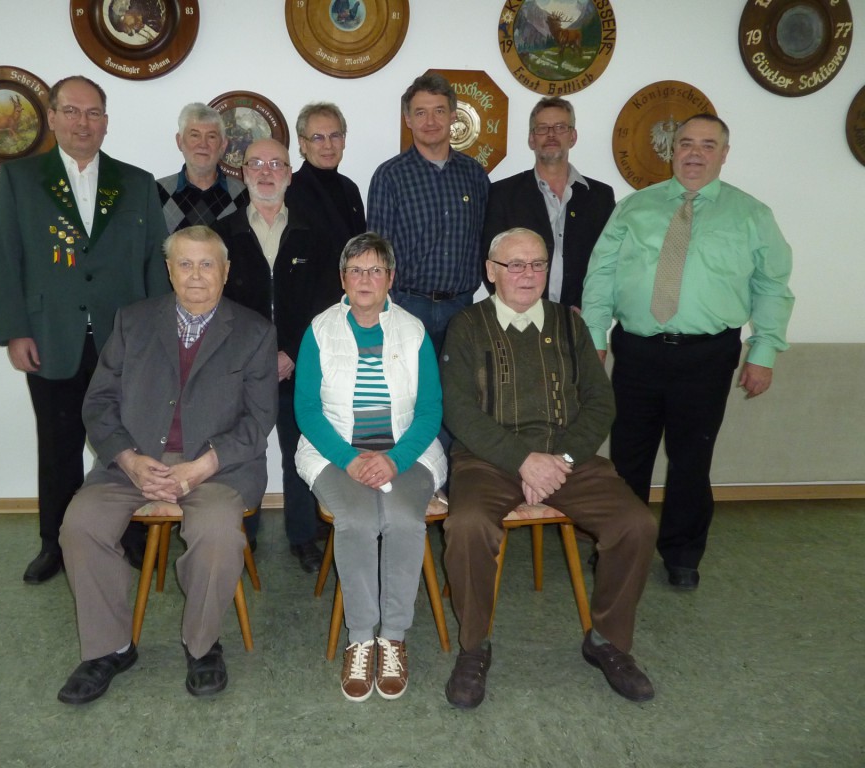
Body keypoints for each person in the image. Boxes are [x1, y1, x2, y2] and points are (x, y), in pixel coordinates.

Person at [56, 226, 278, 704]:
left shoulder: (255, 332)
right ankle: (109, 648)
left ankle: (202, 646)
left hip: (216, 467)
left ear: (225, 271)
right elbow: (99, 403)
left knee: (218, 533)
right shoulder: (132, 322)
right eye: (185, 263)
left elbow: (259, 419)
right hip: (133, 462)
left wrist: (199, 467)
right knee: (80, 524)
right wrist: (130, 460)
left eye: (206, 264)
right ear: (169, 270)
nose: (195, 275)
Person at [441, 228, 657, 708]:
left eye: (537, 264)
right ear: (491, 272)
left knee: (636, 524)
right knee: (467, 524)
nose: (527, 274)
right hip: (488, 459)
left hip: (566, 459)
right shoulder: (467, 324)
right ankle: (474, 647)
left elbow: (601, 404)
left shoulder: (569, 324)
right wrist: (521, 461)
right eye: (514, 265)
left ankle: (608, 641)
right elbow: (458, 410)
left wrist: (559, 461)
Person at [581, 114, 795, 590]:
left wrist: (763, 351)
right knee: (628, 458)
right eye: (685, 144)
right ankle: (620, 546)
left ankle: (682, 554)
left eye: (707, 144)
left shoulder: (751, 214)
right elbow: (601, 275)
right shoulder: (635, 208)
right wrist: (595, 338)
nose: (695, 153)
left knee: (691, 461)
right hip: (636, 352)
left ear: (724, 153)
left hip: (707, 356)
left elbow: (772, 286)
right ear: (671, 150)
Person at [0, 75, 169, 585]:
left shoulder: (135, 182)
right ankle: (55, 543)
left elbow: (157, 261)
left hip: (125, 339)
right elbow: (6, 257)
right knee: (58, 442)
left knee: (130, 441)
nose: (82, 122)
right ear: (51, 117)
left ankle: (133, 535)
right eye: (71, 111)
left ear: (106, 122)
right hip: (51, 336)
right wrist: (15, 331)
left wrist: (159, 334)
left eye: (92, 113)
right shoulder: (21, 178)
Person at [294, 232, 446, 702]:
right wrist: (349, 459)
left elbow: (430, 411)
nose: (365, 278)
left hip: (407, 454)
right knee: (357, 521)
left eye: (375, 269)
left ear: (391, 279)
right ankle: (360, 637)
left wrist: (394, 460)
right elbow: (307, 410)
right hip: (336, 454)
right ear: (343, 278)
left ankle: (393, 638)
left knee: (402, 519)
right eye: (356, 270)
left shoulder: (414, 330)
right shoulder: (319, 330)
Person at [214, 139, 339, 573]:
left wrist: (290, 351)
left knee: (298, 450)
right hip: (239, 369)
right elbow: (217, 306)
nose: (266, 172)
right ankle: (238, 535)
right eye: (257, 165)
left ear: (289, 172)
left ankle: (303, 537)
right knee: (240, 452)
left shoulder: (316, 233)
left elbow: (325, 304)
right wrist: (254, 357)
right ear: (243, 173)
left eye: (276, 164)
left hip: (297, 363)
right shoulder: (222, 234)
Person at [367, 72, 489, 355]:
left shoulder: (474, 174)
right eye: (420, 112)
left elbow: (486, 239)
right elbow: (377, 250)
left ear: (453, 116)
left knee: (455, 394)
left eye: (439, 111)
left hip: (461, 308)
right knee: (407, 392)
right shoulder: (390, 176)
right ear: (408, 119)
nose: (430, 121)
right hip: (407, 306)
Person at [482, 96, 615, 309]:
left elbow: (608, 262)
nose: (551, 134)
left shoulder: (600, 197)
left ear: (573, 136)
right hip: (520, 317)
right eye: (542, 128)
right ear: (531, 139)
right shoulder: (503, 194)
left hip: (579, 319)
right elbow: (490, 260)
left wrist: (585, 307)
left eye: (560, 127)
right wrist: (519, 308)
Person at [285, 101, 367, 303]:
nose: (328, 145)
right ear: (303, 144)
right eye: (318, 138)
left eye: (335, 136)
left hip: (349, 302)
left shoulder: (351, 189)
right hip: (306, 303)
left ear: (344, 140)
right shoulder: (288, 190)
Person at [156, 102, 248, 232]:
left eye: (211, 136)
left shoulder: (243, 194)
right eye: (195, 135)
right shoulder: (157, 193)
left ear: (223, 145)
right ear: (180, 141)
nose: (203, 144)